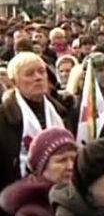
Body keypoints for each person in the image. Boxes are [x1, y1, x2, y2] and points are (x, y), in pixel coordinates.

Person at [0, 52, 67, 191]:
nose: (38, 77)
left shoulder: (62, 112)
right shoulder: (4, 117)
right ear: (14, 81)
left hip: (60, 192)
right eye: (29, 74)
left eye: (41, 72)